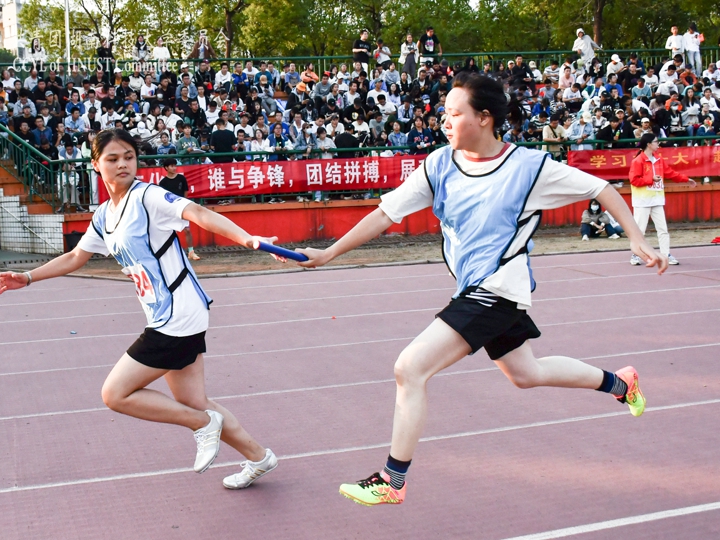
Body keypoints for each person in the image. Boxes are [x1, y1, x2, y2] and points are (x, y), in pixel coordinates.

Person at [296, 72, 663, 506]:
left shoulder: (529, 168)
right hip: (473, 288)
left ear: (484, 118)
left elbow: (600, 187)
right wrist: (327, 253)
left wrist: (635, 238)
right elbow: (384, 213)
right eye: (443, 114)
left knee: (409, 368)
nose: (444, 122)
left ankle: (392, 480)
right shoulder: (438, 165)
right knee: (527, 374)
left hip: (499, 288)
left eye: (455, 114)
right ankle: (620, 384)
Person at [0, 128, 279, 489]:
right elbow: (75, 256)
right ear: (96, 165)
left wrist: (247, 238)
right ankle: (259, 457)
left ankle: (202, 426)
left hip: (178, 313)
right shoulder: (104, 214)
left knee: (116, 394)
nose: (123, 164)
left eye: (128, 156)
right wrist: (28, 276)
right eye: (112, 159)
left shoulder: (149, 198)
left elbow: (197, 213)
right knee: (193, 400)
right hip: (166, 312)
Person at [628, 133, 697, 266]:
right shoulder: (638, 161)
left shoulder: (659, 160)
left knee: (663, 229)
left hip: (657, 199)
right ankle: (636, 255)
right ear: (648, 144)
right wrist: (650, 180)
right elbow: (634, 180)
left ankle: (665, 254)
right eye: (655, 141)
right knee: (639, 230)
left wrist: (686, 179)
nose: (658, 144)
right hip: (642, 201)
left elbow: (671, 173)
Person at [159, 158, 200, 261]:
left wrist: (184, 203)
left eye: (175, 165)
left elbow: (185, 191)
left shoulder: (181, 178)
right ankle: (172, 254)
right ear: (166, 168)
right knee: (171, 233)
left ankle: (191, 252)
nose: (174, 168)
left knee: (187, 230)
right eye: (171, 166)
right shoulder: (163, 182)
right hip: (170, 210)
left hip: (182, 208)